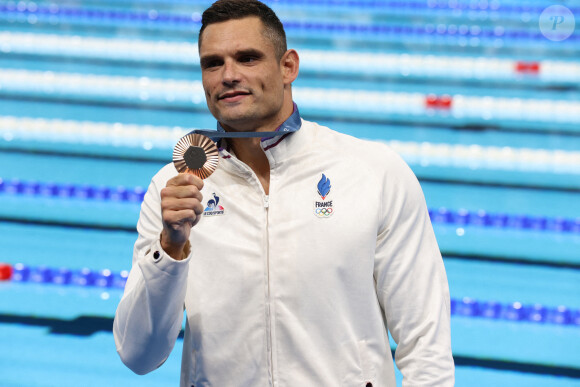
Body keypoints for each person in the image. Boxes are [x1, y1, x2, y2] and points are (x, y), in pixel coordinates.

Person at [113, 0, 455, 385]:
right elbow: (139, 355)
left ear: (288, 66)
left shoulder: (374, 172)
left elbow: (426, 342)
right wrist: (171, 248)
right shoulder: (173, 188)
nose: (228, 75)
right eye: (213, 63)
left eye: (247, 58)